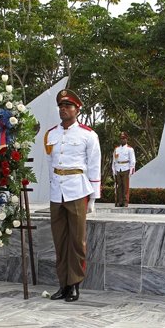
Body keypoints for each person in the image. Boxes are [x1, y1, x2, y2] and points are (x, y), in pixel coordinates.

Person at [43, 89, 101, 302]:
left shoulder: (88, 134)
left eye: (68, 106)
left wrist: (93, 197)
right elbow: (50, 164)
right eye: (61, 106)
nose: (63, 109)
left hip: (77, 190)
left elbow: (94, 165)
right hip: (57, 192)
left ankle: (75, 284)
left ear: (77, 109)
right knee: (60, 241)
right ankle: (63, 284)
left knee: (77, 241)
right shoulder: (51, 134)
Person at [112, 132, 136, 207]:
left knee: (125, 186)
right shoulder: (116, 149)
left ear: (126, 139)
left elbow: (133, 160)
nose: (122, 140)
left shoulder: (130, 149)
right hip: (118, 168)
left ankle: (125, 201)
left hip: (126, 168)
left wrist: (131, 170)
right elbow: (114, 160)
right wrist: (113, 170)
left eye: (124, 138)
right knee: (119, 186)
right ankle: (120, 201)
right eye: (121, 139)